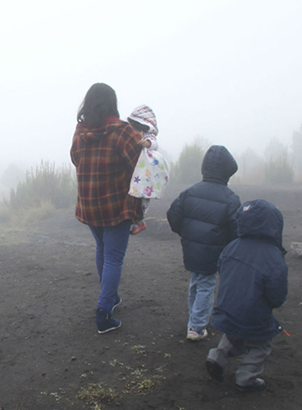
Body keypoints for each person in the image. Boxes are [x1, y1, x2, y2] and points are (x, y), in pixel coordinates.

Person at [70, 83, 143, 334]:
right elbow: (140, 166)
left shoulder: (80, 132)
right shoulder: (123, 132)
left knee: (103, 250)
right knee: (113, 257)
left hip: (90, 205)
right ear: (113, 104)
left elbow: (75, 158)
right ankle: (104, 312)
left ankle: (110, 297)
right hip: (116, 207)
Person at [206, 199, 288, 392]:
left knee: (234, 334)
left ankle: (216, 357)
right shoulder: (274, 255)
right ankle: (246, 378)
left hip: (228, 305)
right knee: (260, 345)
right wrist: (275, 302)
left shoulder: (232, 246)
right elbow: (277, 290)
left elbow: (222, 269)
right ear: (274, 224)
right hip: (256, 311)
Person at [166, 145, 241, 341]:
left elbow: (173, 215)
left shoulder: (190, 192)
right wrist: (229, 248)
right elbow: (236, 229)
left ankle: (194, 319)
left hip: (191, 247)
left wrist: (186, 233)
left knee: (196, 282)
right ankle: (197, 327)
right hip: (214, 251)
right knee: (206, 285)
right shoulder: (231, 199)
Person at [126, 105, 169, 235]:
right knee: (136, 192)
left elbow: (154, 143)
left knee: (142, 196)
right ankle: (138, 221)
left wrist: (147, 144)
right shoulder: (131, 132)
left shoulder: (148, 136)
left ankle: (139, 221)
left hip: (145, 170)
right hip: (137, 169)